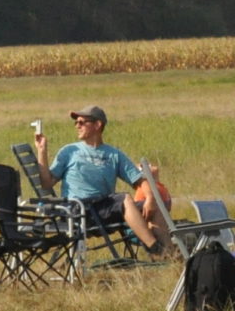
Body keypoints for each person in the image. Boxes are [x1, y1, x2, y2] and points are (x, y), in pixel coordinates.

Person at [34, 106, 168, 254]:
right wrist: (42, 151)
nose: (77, 126)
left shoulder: (114, 154)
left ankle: (170, 253)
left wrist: (150, 198)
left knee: (156, 205)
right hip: (78, 210)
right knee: (124, 199)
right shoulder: (69, 151)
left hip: (103, 209)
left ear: (97, 125)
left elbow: (140, 180)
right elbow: (47, 183)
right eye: (76, 122)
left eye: (81, 122)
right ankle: (156, 248)